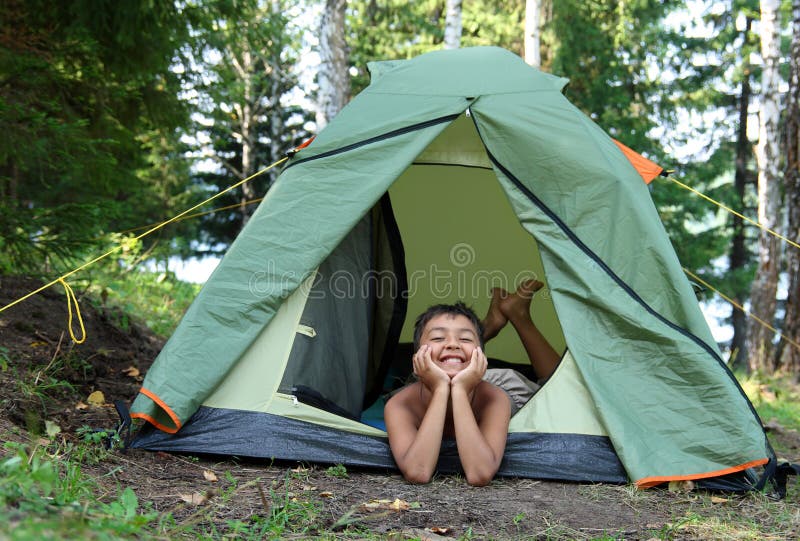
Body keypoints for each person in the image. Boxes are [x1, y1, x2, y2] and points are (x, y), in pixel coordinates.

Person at [384, 279, 561, 486]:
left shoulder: (496, 398)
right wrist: (441, 388)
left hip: (486, 382)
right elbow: (418, 472)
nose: (451, 343)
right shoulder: (400, 404)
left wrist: (458, 389)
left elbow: (479, 473)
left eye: (466, 339)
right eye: (438, 338)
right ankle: (491, 324)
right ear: (417, 355)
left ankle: (519, 317)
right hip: (428, 379)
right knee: (431, 369)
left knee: (556, 389)